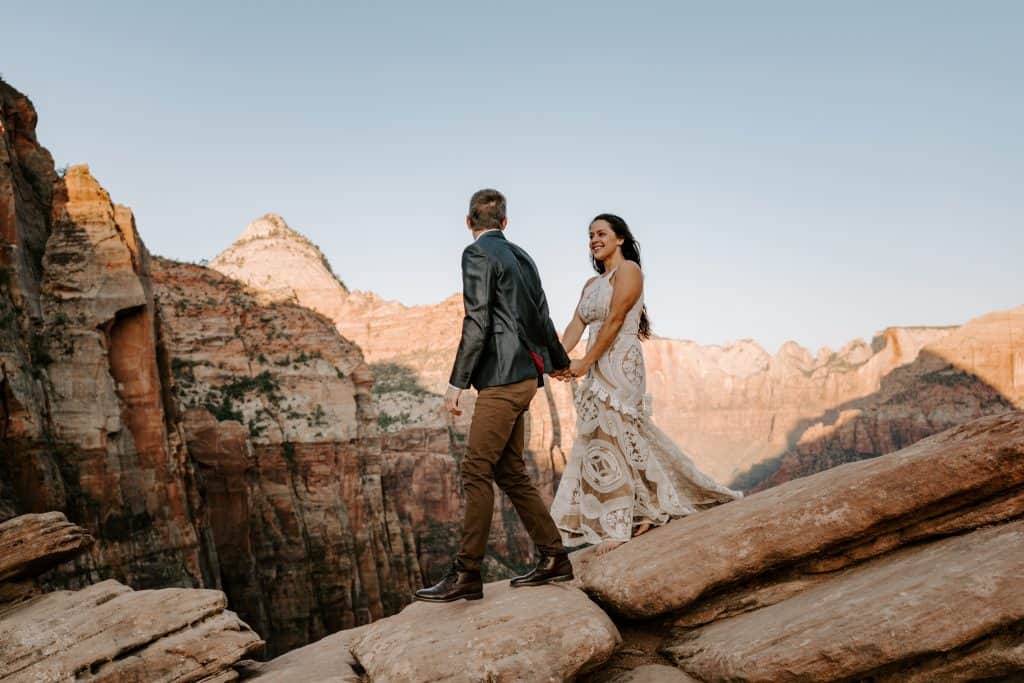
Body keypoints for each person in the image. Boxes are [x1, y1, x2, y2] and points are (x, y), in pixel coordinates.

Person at [415, 189, 575, 603]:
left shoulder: (476, 255)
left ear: (469, 223)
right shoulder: (524, 257)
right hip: (525, 378)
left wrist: (456, 383)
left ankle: (467, 573)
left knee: (475, 470)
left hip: (501, 381)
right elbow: (542, 315)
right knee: (510, 472)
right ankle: (555, 556)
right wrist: (557, 361)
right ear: (505, 223)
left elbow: (477, 320)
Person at [550, 214, 743, 555]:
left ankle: (618, 523)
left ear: (620, 238)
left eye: (601, 233)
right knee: (601, 435)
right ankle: (645, 509)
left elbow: (615, 320)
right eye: (590, 235)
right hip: (596, 361)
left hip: (620, 360)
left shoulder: (629, 272)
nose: (594, 239)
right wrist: (560, 359)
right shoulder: (590, 285)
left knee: (617, 430)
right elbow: (576, 324)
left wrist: (585, 361)